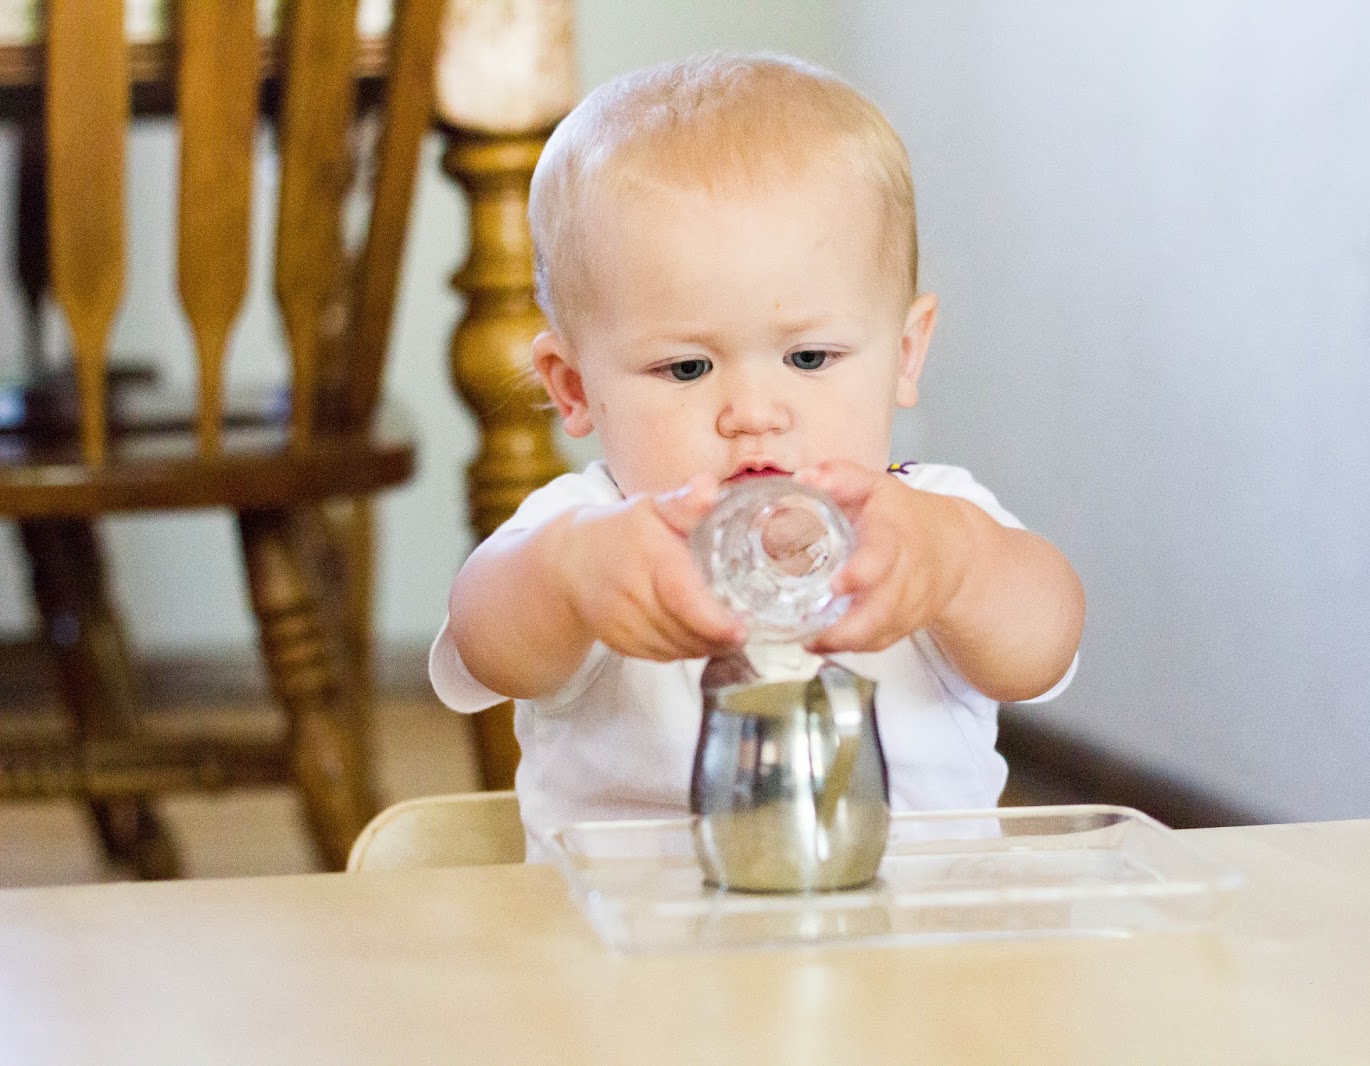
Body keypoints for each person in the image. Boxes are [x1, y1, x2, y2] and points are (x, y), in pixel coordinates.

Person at [431, 53, 1085, 854]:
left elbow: (1044, 643)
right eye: (687, 368)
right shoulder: (596, 528)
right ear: (572, 388)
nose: (753, 414)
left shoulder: (921, 520)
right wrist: (569, 580)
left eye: (809, 359)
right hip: (639, 963)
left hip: (917, 963)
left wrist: (959, 564)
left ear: (906, 355)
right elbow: (487, 645)